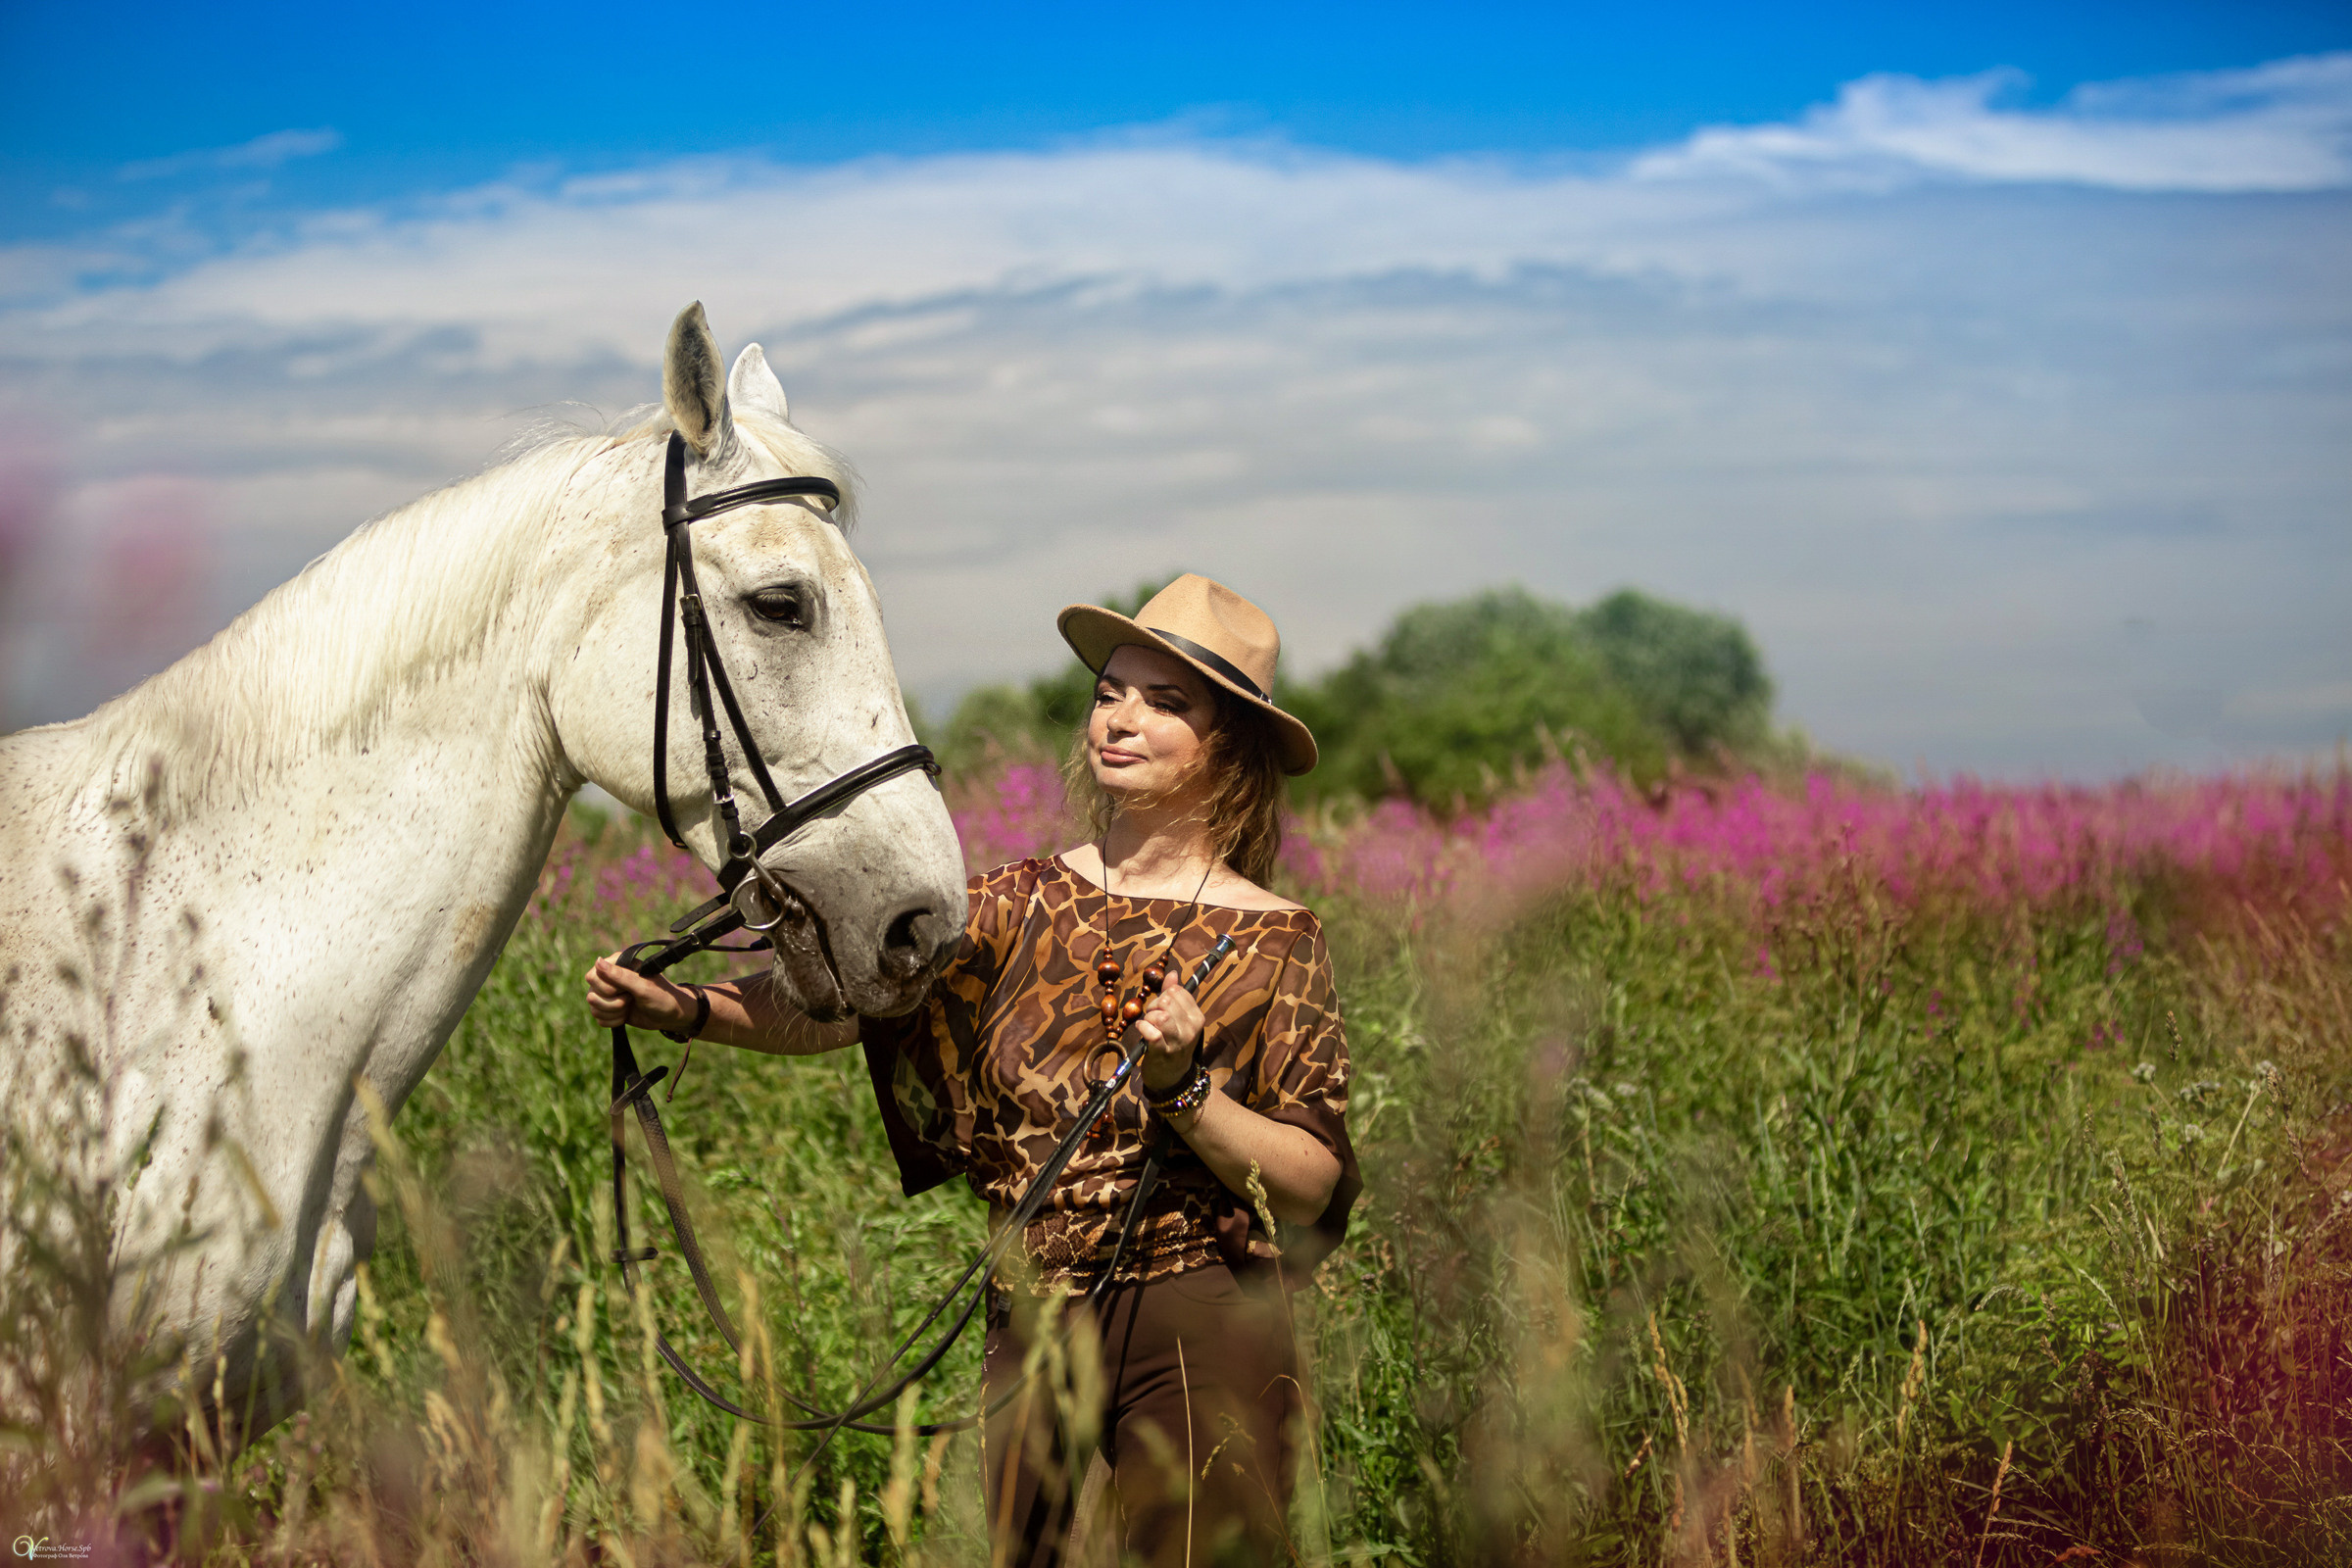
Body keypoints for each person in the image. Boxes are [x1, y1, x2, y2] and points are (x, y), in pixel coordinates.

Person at [585, 574, 1359, 1566]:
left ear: (1229, 747)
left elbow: (1308, 1183)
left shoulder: (1277, 939)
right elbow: (854, 1006)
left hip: (1201, 1313)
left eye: (1167, 702)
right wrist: (689, 1009)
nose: (1122, 717)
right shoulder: (1009, 902)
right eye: (1110, 691)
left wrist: (1185, 1087)